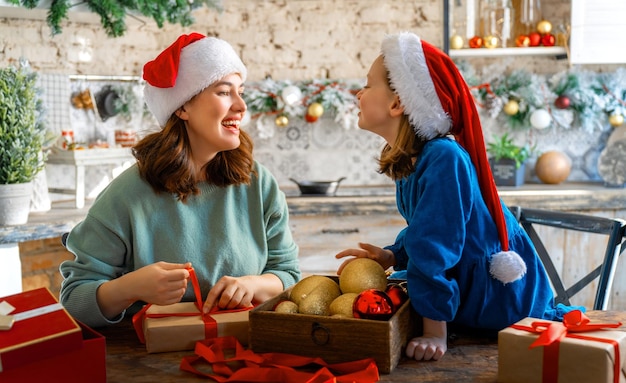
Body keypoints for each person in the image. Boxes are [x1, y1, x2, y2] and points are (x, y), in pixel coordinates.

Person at [335, 32, 576, 361]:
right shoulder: (413, 159)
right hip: (469, 297)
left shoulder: (444, 157)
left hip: (501, 303)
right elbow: (426, 230)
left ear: (397, 103)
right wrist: (393, 256)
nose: (358, 93)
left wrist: (434, 332)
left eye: (367, 84)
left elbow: (434, 248)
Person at [59, 33, 301, 328]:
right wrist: (130, 287)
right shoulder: (126, 196)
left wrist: (254, 284)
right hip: (148, 364)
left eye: (241, 91)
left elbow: (287, 273)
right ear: (183, 107)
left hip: (246, 351)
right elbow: (73, 302)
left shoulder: (259, 184)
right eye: (224, 92)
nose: (241, 106)